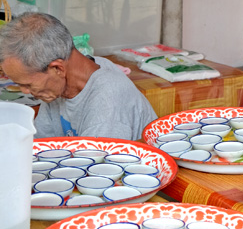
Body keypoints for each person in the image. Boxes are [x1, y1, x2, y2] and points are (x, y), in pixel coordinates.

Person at [0, 12, 157, 139]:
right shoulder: (57, 85)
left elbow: (96, 174)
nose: (25, 91)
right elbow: (40, 145)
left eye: (27, 85)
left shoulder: (107, 100)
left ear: (58, 68)